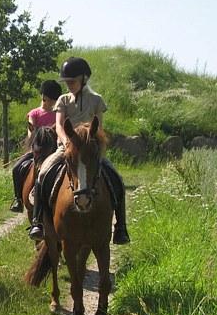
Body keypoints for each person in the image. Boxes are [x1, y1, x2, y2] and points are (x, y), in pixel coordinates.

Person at [27, 57, 130, 245]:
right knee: (42, 173)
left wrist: (93, 144)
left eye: (72, 82)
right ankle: (37, 222)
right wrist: (67, 142)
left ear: (84, 79)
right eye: (66, 82)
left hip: (90, 150)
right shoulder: (63, 100)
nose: (69, 86)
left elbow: (98, 128)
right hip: (66, 148)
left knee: (116, 178)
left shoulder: (97, 100)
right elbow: (58, 125)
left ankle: (121, 226)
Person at [9, 79, 62, 212]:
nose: (52, 103)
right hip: (38, 151)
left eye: (54, 100)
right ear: (44, 97)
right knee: (16, 168)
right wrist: (33, 132)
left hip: (54, 151)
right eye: (50, 100)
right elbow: (30, 131)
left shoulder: (58, 115)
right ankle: (18, 199)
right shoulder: (35, 113)